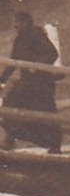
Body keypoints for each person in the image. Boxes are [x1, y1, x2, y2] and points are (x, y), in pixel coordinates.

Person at [1, 8, 61, 153]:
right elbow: (14, 61)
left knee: (46, 113)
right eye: (14, 22)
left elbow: (52, 53)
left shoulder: (36, 34)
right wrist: (1, 79)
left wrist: (37, 66)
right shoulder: (19, 39)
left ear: (26, 23)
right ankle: (11, 139)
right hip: (27, 83)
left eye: (18, 22)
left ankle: (55, 146)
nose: (15, 25)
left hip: (42, 84)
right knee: (9, 107)